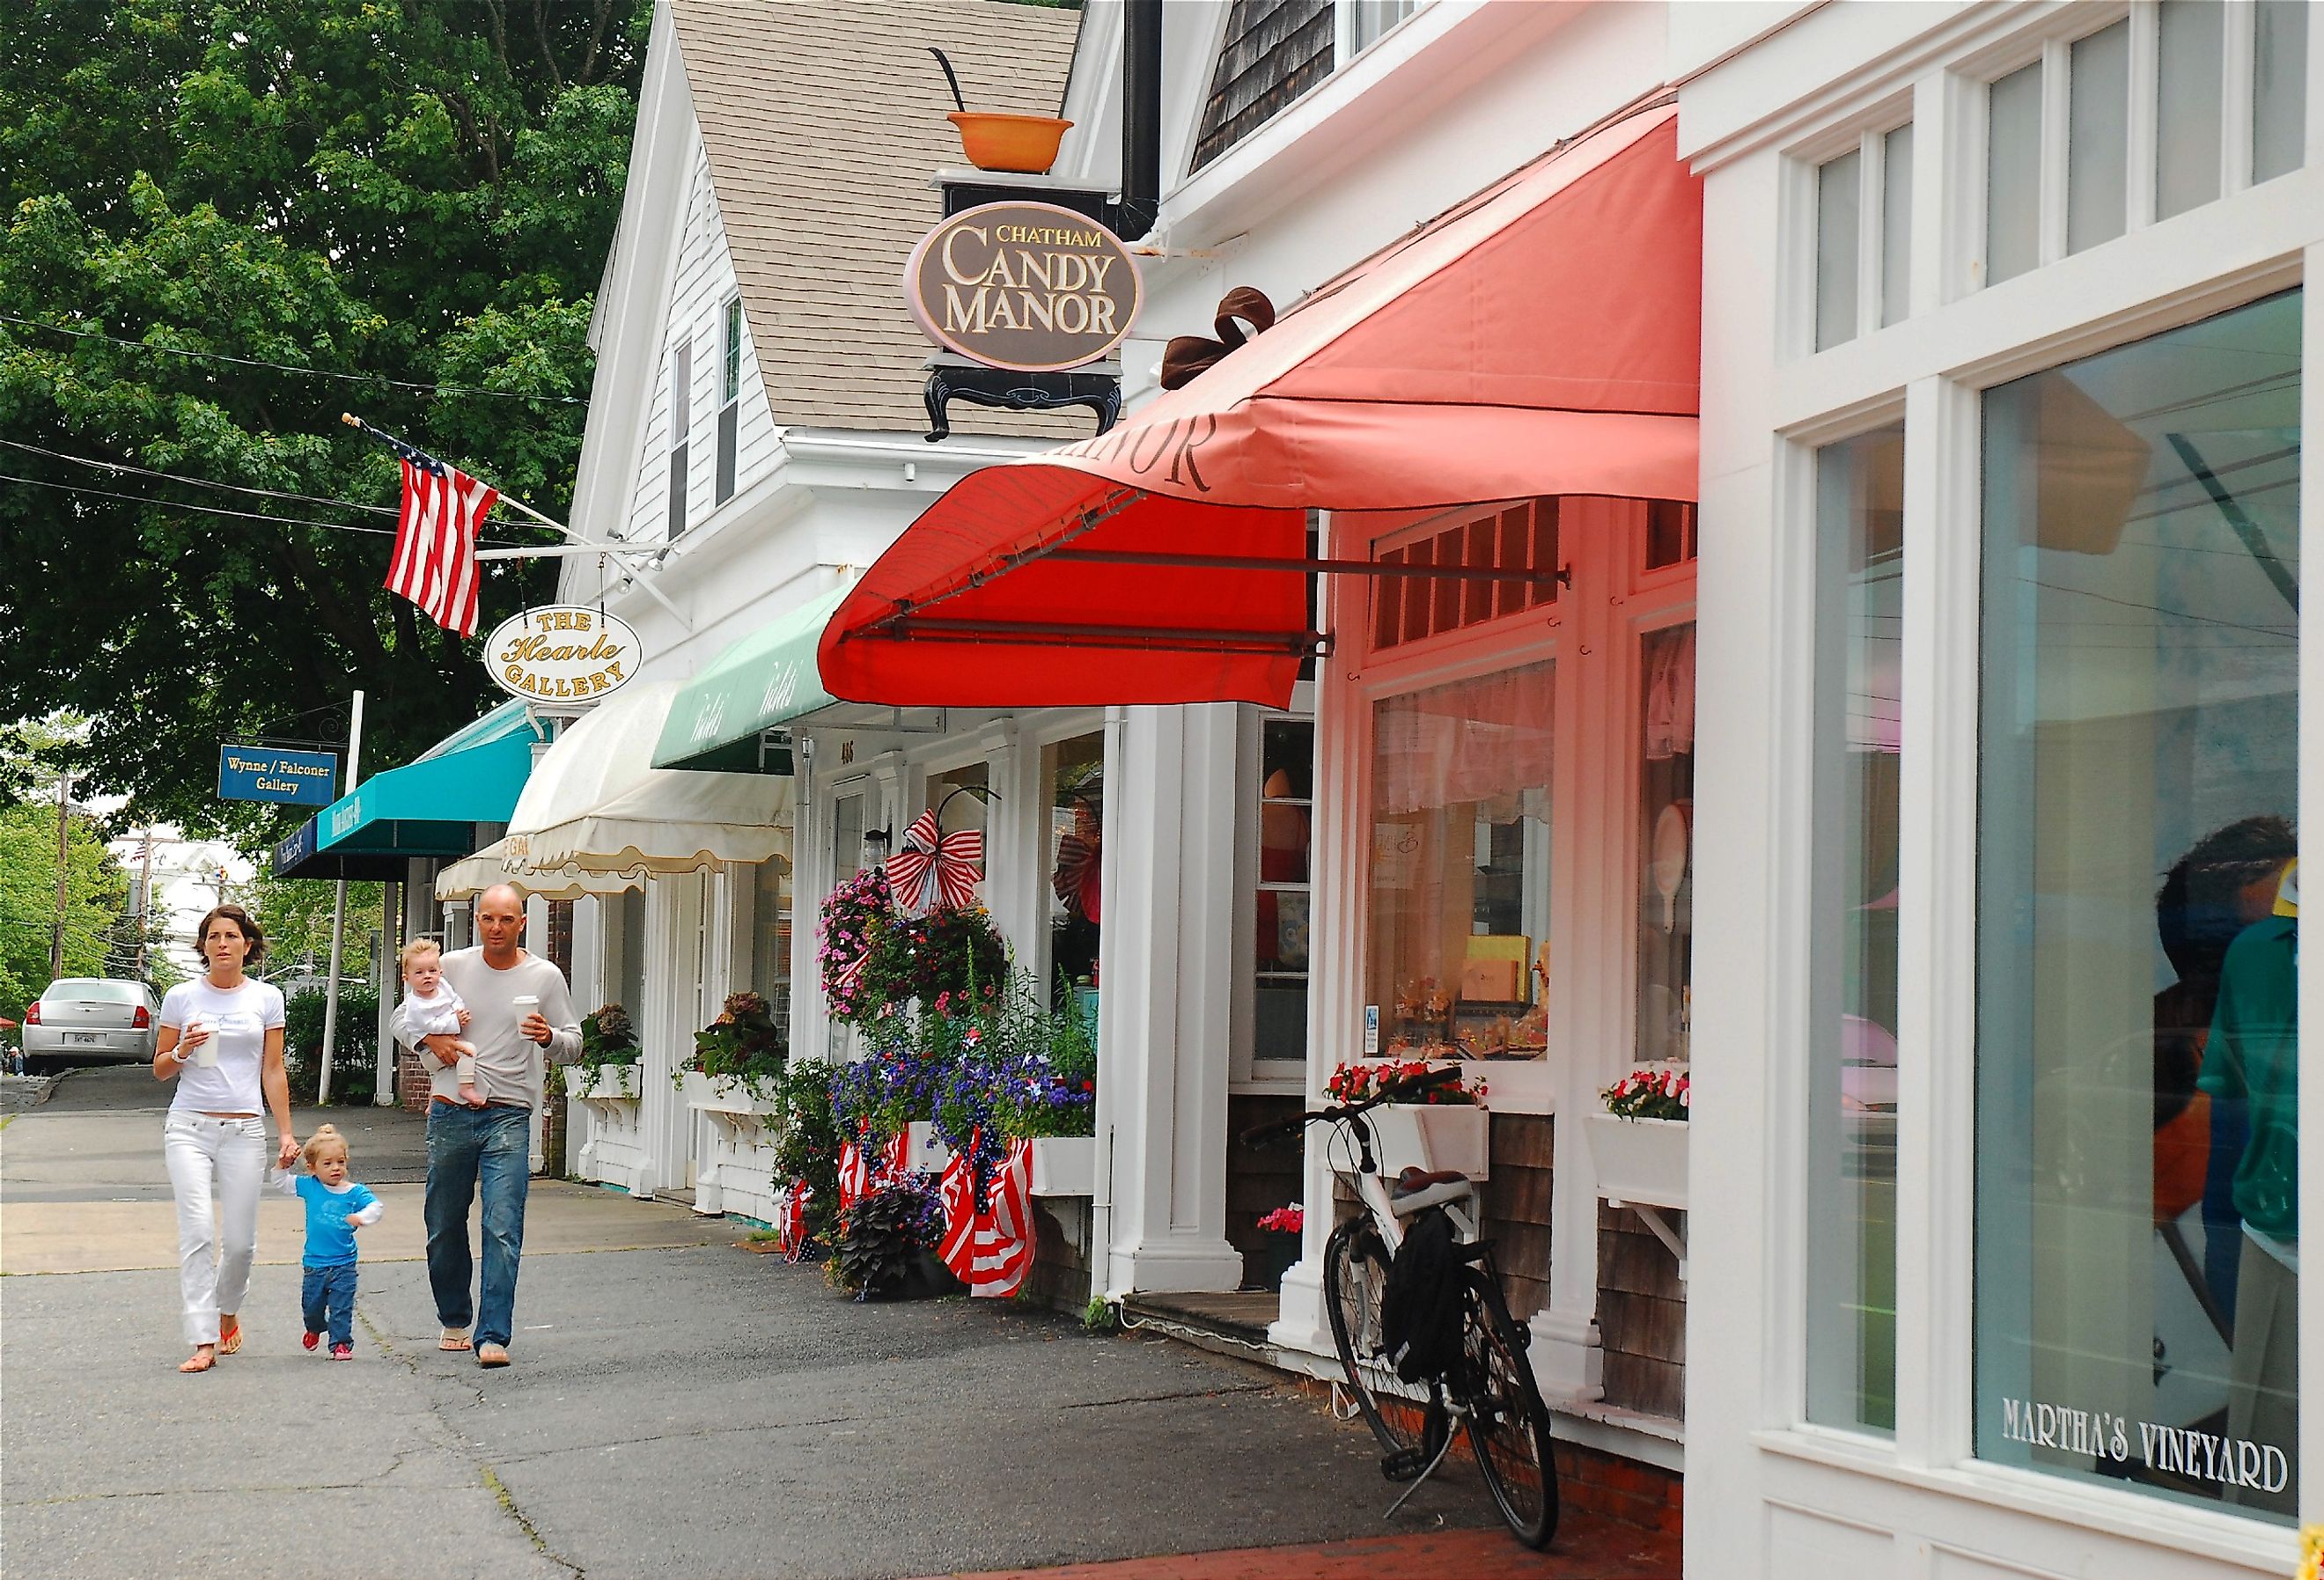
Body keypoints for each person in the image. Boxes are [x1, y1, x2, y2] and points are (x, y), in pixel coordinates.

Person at [393, 884, 580, 1369]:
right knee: (443, 1223)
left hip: (509, 1113)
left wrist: (549, 1036)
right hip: (451, 1109)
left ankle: (493, 1334)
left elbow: (574, 1043)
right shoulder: (452, 966)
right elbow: (401, 1016)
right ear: (478, 921)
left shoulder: (544, 975)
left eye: (506, 919)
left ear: (523, 923)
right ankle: (455, 1317)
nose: (496, 928)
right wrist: (432, 1041)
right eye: (487, 919)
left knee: (502, 1225)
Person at [153, 903, 296, 1374]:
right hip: (189, 1125)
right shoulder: (181, 997)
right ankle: (203, 1338)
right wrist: (182, 1049)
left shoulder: (267, 998)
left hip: (244, 1128)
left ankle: (228, 1308)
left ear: (247, 944)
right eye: (213, 936)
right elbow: (159, 1069)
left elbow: (272, 1070)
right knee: (196, 1232)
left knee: (239, 1243)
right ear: (203, 946)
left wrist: (286, 1133)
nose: (222, 944)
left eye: (231, 936)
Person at [268, 1123, 383, 1359]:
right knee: (312, 1306)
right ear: (312, 1168)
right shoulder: (311, 1187)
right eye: (328, 1163)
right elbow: (280, 1182)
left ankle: (341, 1343)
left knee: (342, 1307)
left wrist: (362, 1217)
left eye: (340, 1162)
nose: (335, 1168)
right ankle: (314, 1327)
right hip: (315, 1263)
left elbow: (376, 1207)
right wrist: (282, 1165)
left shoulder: (355, 1192)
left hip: (344, 1263)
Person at [400, 938, 484, 1107]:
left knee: (438, 1074)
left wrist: (459, 1011)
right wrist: (455, 1021)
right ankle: (466, 1087)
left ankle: (433, 1100)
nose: (427, 976)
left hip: (448, 1036)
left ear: (440, 971)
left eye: (432, 970)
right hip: (430, 1052)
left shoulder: (442, 986)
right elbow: (432, 1026)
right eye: (419, 973)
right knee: (469, 1052)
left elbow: (454, 999)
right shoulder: (415, 1006)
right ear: (406, 978)